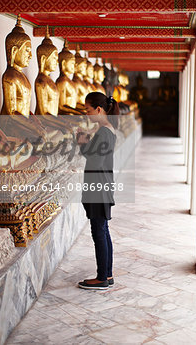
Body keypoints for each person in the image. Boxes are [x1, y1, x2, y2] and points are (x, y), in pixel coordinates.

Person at [77, 91, 119, 290]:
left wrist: (84, 142)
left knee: (99, 232)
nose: (87, 114)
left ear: (99, 109)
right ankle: (107, 275)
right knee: (102, 230)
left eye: (88, 110)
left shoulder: (104, 132)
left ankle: (102, 277)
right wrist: (83, 142)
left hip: (98, 187)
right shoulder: (107, 130)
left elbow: (96, 160)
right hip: (102, 185)